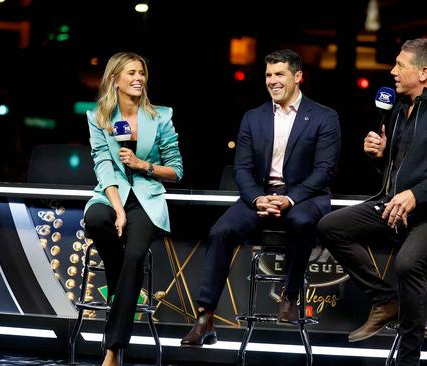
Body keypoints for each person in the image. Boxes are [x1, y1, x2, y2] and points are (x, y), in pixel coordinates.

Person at [317, 38, 427, 365]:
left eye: (399, 66)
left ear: (423, 72)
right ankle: (384, 299)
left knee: (407, 263)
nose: (391, 72)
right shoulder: (398, 108)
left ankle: (408, 360)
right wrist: (380, 156)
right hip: (393, 204)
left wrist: (416, 194)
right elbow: (403, 167)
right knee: (330, 226)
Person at [181, 49, 341, 346]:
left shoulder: (324, 117)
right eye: (268, 75)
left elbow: (324, 172)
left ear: (298, 77)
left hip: (305, 196)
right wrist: (257, 199)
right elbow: (241, 169)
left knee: (302, 221)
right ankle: (205, 316)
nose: (272, 81)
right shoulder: (253, 118)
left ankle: (290, 295)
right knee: (221, 230)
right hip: (261, 196)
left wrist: (289, 199)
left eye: (279, 74)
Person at [83, 52, 183, 366]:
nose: (138, 78)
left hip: (147, 198)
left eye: (141, 72)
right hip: (113, 195)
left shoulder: (161, 116)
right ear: (114, 79)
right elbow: (103, 165)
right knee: (97, 218)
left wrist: (143, 165)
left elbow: (177, 170)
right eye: (131, 73)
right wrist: (118, 209)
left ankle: (113, 349)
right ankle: (119, 285)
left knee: (135, 255)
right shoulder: (98, 116)